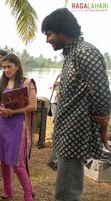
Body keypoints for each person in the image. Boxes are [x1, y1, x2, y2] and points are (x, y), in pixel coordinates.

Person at [41, 8, 111, 201]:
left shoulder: (85, 53)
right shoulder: (72, 54)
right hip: (66, 134)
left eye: (49, 34)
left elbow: (102, 97)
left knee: (67, 195)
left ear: (63, 31)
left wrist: (103, 128)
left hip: (75, 136)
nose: (47, 39)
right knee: (65, 191)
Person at [0, 53, 37, 201]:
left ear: (17, 66)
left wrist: (13, 111)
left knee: (17, 163)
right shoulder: (3, 82)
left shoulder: (27, 82)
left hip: (18, 125)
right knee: (3, 161)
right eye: (4, 67)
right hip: (2, 124)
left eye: (9, 67)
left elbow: (33, 106)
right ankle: (7, 191)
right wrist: (0, 110)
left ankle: (28, 195)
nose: (6, 70)